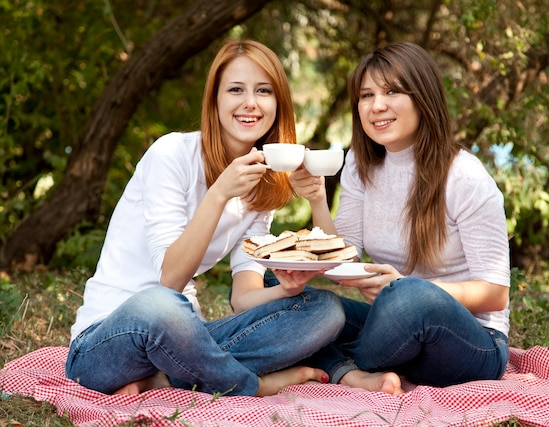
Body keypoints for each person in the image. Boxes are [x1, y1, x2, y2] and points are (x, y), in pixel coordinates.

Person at [65, 39, 345, 397]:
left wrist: (287, 288)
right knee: (161, 304)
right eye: (235, 90)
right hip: (105, 342)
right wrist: (218, 194)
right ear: (215, 100)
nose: (250, 103)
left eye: (263, 91)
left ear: (278, 104)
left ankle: (171, 379)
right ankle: (249, 385)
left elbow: (243, 298)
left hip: (185, 340)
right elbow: (170, 279)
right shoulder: (172, 154)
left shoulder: (262, 185)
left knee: (324, 310)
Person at [291, 41, 511, 395]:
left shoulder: (464, 175)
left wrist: (402, 288)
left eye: (392, 91)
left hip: (471, 342)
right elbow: (342, 260)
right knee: (273, 283)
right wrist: (317, 199)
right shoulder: (361, 167)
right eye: (366, 95)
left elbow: (496, 294)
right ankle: (351, 369)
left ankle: (327, 360)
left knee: (411, 299)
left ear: (422, 96)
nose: (377, 106)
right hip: (391, 327)